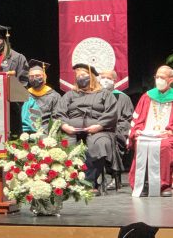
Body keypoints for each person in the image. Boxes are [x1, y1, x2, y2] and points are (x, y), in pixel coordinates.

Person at [56, 63, 119, 196]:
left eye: (84, 75)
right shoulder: (69, 95)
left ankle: (90, 182)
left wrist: (99, 126)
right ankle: (69, 182)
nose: (81, 78)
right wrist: (65, 126)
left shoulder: (105, 94)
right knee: (65, 143)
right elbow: (59, 113)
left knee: (100, 143)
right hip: (71, 128)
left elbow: (112, 113)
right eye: (78, 76)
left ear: (91, 77)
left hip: (97, 129)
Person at [128, 65, 173, 197]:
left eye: (162, 77)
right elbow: (137, 118)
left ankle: (164, 185)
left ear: (170, 80)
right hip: (146, 133)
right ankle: (140, 184)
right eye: (157, 77)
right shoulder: (147, 97)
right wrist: (137, 130)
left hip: (167, 135)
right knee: (140, 142)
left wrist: (171, 131)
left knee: (164, 146)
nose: (159, 80)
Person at [99, 69, 134, 190]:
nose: (104, 80)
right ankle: (93, 178)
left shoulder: (122, 97)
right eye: (102, 77)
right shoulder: (96, 96)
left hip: (117, 130)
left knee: (111, 141)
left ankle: (115, 177)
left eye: (108, 78)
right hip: (99, 130)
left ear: (114, 80)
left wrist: (116, 130)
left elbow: (126, 119)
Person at [21, 59, 61, 133]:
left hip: (46, 131)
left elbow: (56, 117)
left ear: (45, 76)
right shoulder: (24, 95)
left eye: (38, 75)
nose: (34, 78)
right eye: (31, 76)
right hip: (27, 131)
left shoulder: (54, 96)